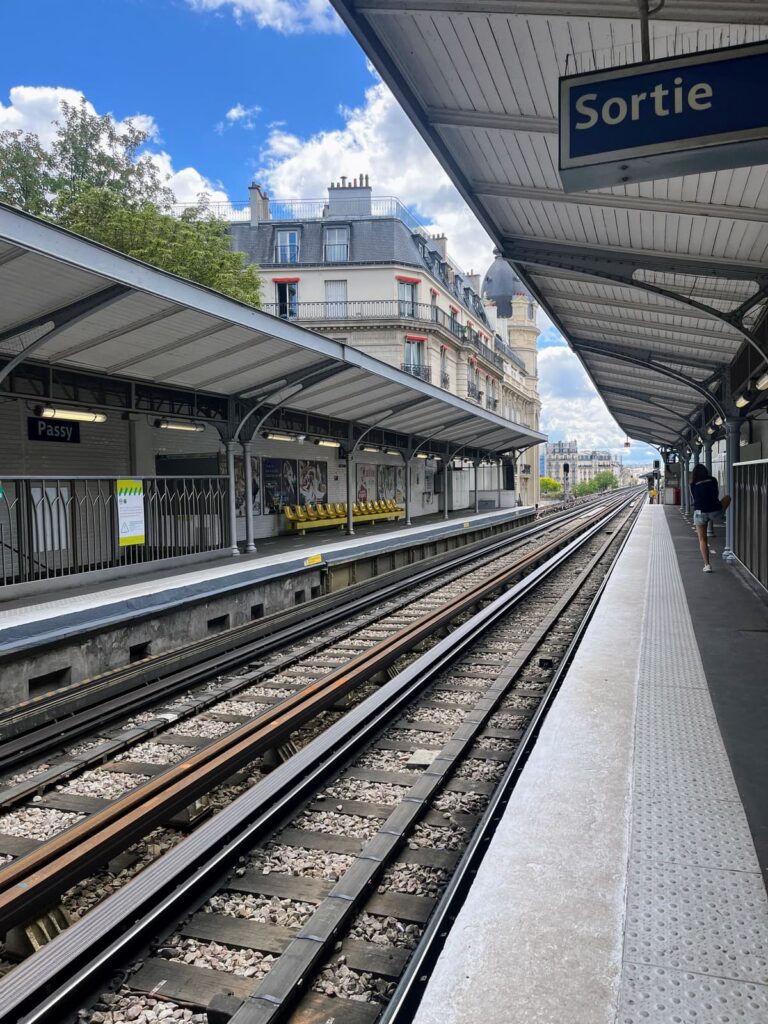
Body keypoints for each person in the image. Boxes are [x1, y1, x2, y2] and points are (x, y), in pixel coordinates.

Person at [689, 464, 731, 573]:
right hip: (715, 511)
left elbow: (694, 498)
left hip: (700, 513)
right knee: (728, 498)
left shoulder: (692, 484)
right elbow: (716, 494)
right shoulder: (713, 480)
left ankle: (707, 565)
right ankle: (725, 517)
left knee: (702, 539)